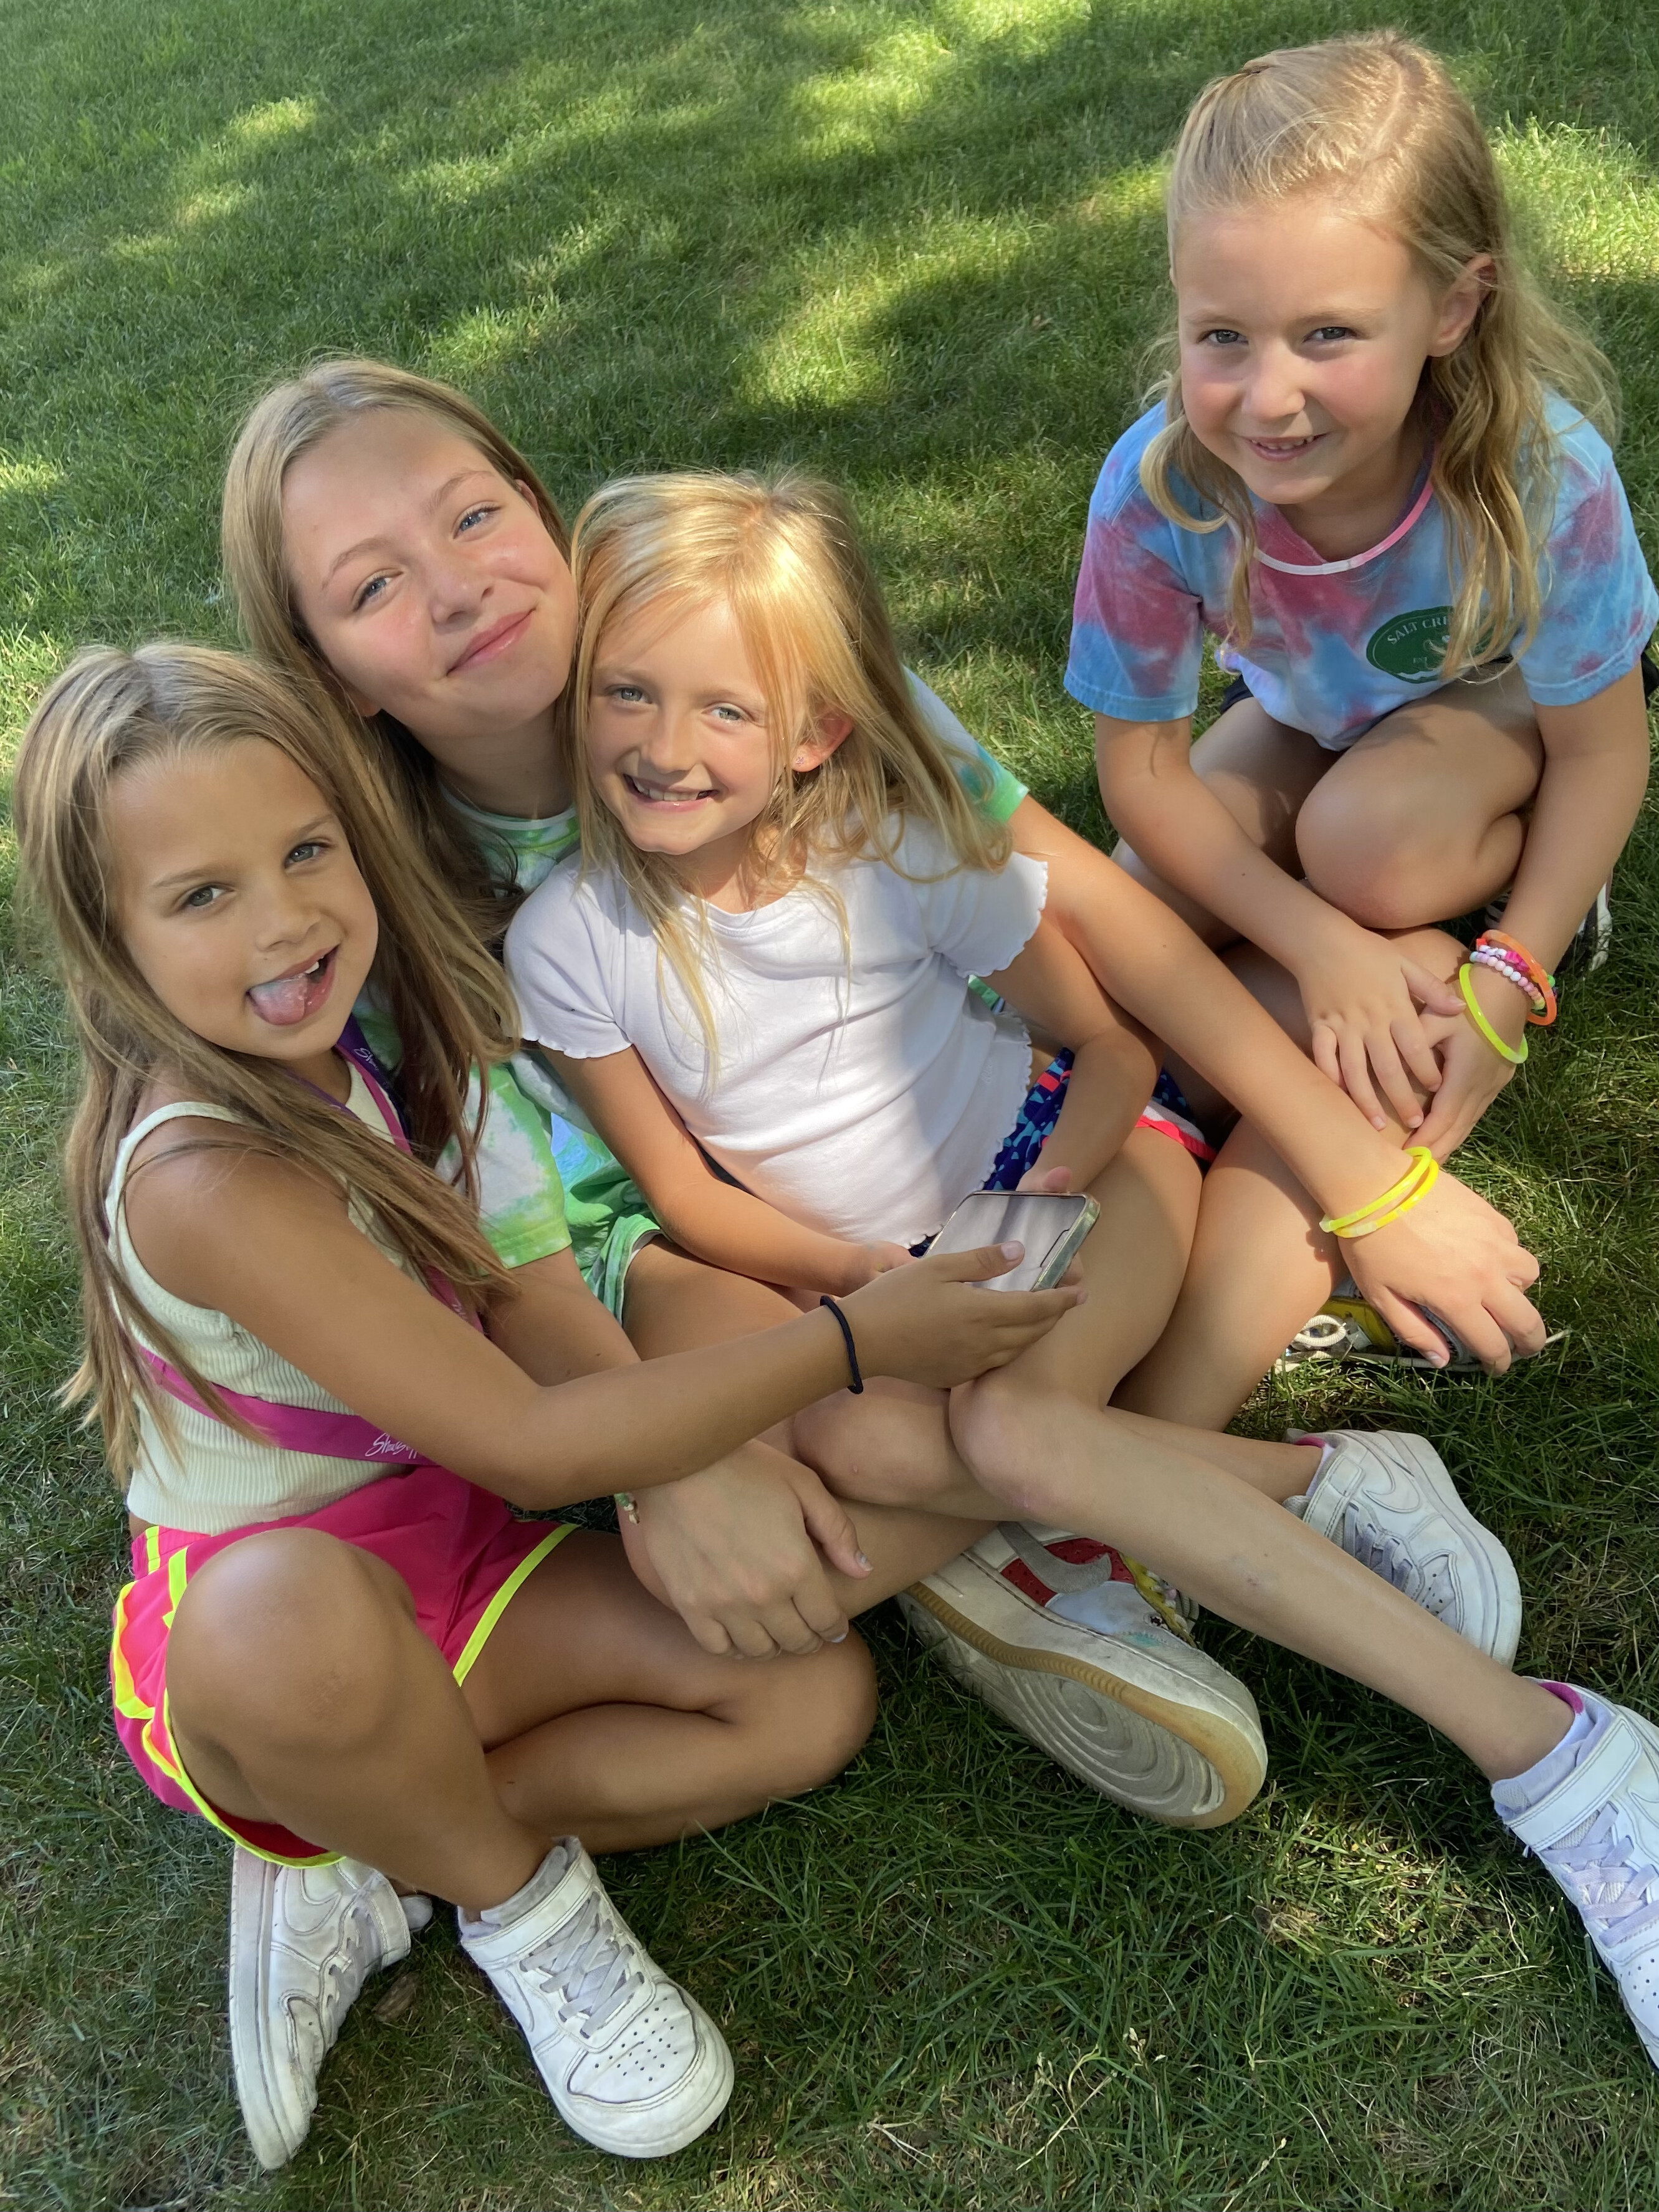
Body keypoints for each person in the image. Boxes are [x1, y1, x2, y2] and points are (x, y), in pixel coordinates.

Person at [497, 463, 1659, 2076]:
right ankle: (1316, 1480)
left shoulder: (895, 839)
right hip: (895, 1270)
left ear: (815, 731)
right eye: (626, 691)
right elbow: (685, 1192)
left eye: (723, 709)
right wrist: (864, 1297)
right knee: (897, 1443)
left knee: (1011, 1433)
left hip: (1083, 1173)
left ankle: (1553, 1756)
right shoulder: (566, 938)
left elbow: (1101, 1043)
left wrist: (1038, 1193)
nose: (663, 743)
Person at [12, 643, 1079, 2169]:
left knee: (808, 1695)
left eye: (306, 849)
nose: (285, 918)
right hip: (283, 1635)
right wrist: (847, 1339)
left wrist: (717, 1437)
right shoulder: (204, 1175)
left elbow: (514, 1293)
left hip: (452, 1547)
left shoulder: (345, 1032)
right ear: (106, 935)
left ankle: (379, 1847)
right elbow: (522, 1441)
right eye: (201, 894)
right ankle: (521, 1906)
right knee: (279, 1616)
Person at [1071, 31, 1655, 1158]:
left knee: (1363, 850)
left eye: (1327, 333)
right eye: (1222, 336)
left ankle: (1515, 894)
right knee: (1122, 925)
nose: (1267, 397)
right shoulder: (1156, 491)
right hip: (1304, 711)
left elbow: (1601, 751)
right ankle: (1323, 975)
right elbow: (1139, 776)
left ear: (1451, 308)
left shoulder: (1546, 474)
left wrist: (1512, 971)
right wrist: (1316, 948)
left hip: (1498, 700)